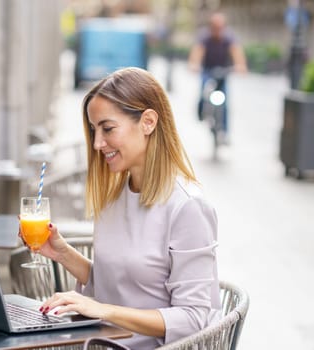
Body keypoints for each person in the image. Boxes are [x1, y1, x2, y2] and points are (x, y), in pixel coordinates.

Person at [28, 67, 221, 349]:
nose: (97, 144)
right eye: (94, 131)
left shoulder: (187, 207)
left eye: (107, 128)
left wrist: (104, 310)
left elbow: (194, 318)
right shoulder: (114, 196)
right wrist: (63, 253)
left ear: (148, 122)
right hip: (103, 343)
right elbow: (120, 287)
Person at [188, 11, 247, 141]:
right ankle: (201, 111)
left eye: (220, 27)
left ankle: (224, 132)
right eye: (215, 27)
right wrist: (194, 64)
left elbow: (236, 52)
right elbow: (197, 52)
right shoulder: (204, 38)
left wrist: (240, 65)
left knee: (224, 102)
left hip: (223, 71)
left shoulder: (229, 38)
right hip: (207, 71)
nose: (218, 30)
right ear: (210, 27)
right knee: (204, 91)